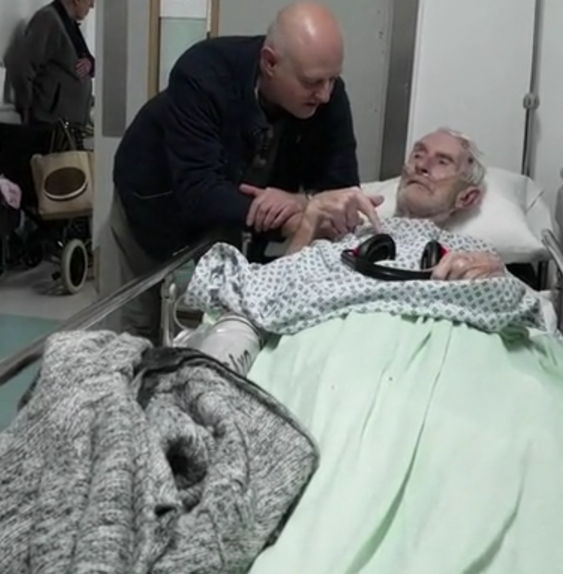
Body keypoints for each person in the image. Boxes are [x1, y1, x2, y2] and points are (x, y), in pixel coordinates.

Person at [110, 2, 380, 340]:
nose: (325, 94)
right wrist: (295, 216)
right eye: (313, 83)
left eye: (333, 79)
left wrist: (299, 202)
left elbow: (340, 188)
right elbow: (199, 190)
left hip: (231, 214)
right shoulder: (202, 73)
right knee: (133, 333)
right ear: (270, 62)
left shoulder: (326, 93)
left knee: (229, 327)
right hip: (153, 201)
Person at [287, 127, 505, 281]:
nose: (422, 166)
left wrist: (498, 279)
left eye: (442, 162)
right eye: (418, 155)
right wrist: (310, 220)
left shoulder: (475, 256)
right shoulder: (352, 237)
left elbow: (528, 311)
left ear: (466, 197)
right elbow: (270, 289)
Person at [6, 0, 95, 130]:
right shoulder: (47, 19)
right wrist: (25, 108)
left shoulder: (69, 23)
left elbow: (87, 60)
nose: (92, 5)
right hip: (49, 123)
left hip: (67, 125)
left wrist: (90, 64)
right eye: (90, 0)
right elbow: (22, 66)